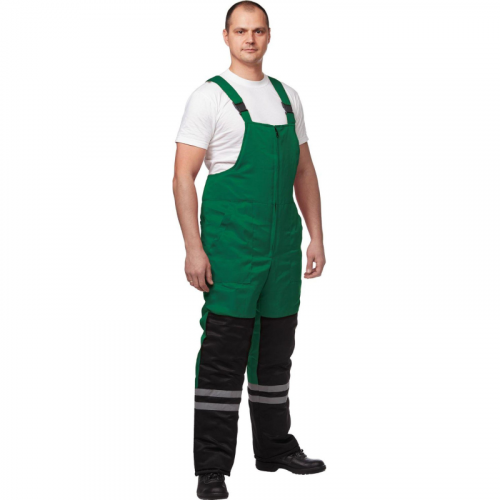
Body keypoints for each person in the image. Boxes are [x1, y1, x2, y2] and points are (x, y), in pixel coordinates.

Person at [173, 2, 326, 498]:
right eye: (241, 31)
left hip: (281, 250)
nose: (250, 39)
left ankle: (275, 448)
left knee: (275, 352)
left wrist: (316, 235)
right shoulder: (209, 97)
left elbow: (304, 170)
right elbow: (182, 177)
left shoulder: (287, 97)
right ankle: (212, 467)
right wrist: (193, 248)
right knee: (223, 357)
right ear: (226, 36)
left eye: (258, 30)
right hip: (232, 249)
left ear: (268, 35)